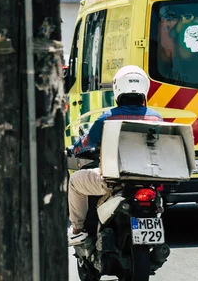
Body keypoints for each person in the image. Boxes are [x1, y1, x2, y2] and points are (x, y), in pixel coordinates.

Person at [67, 65, 163, 246]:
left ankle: (77, 230)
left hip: (113, 179)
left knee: (75, 182)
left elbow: (87, 142)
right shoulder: (156, 118)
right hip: (149, 178)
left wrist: (74, 149)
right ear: (145, 89)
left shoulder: (108, 117)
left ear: (117, 89)